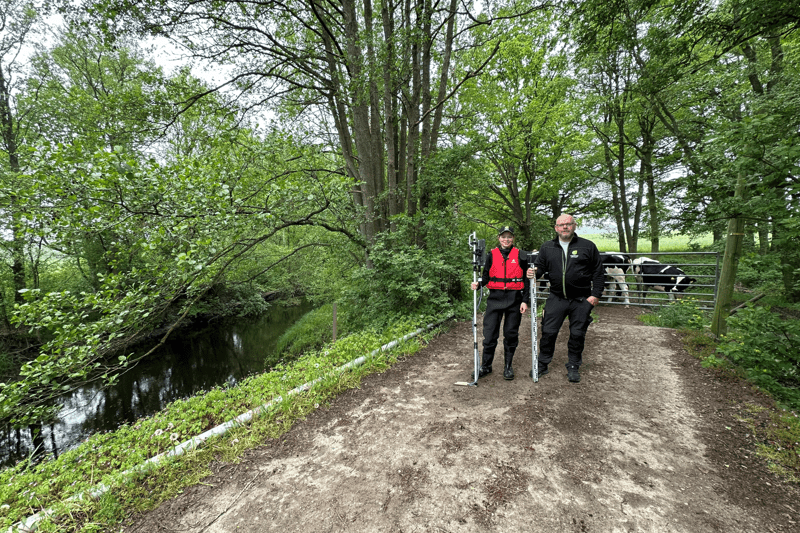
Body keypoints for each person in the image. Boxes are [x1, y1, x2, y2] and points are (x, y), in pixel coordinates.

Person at [526, 214, 604, 383]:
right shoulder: (547, 247)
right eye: (561, 225)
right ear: (556, 228)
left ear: (574, 226)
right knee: (548, 331)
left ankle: (574, 366)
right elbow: (540, 269)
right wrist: (533, 273)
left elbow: (598, 272)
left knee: (577, 334)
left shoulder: (587, 246)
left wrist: (595, 295)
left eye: (568, 224)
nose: (565, 227)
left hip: (581, 299)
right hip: (556, 297)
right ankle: (543, 363)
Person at [471, 226, 530, 380]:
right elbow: (485, 277)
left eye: (509, 237)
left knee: (511, 334)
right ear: (499, 238)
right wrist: (478, 284)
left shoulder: (521, 255)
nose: (506, 240)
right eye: (503, 237)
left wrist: (525, 301)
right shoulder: (491, 255)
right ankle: (486, 366)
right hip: (495, 299)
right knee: (489, 335)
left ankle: (508, 367)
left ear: (513, 239)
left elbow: (527, 280)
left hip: (514, 299)